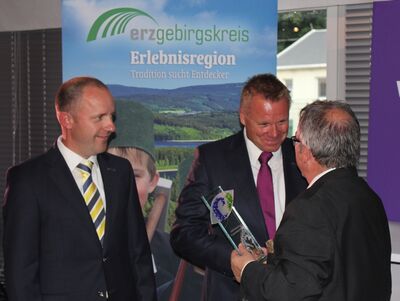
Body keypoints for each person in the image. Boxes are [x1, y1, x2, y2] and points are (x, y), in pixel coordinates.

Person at [3, 77, 157, 301]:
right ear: (67, 119)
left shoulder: (121, 171)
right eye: (99, 118)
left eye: (111, 116)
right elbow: (20, 274)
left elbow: (138, 253)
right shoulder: (28, 180)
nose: (111, 126)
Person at [231, 100, 392, 301]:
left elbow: (290, 293)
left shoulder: (308, 208)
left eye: (295, 140)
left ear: (306, 152)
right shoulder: (369, 197)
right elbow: (336, 267)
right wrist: (273, 260)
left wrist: (247, 270)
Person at [170, 73, 308, 301]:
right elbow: (184, 233)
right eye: (264, 124)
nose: (274, 133)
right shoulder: (212, 160)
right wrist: (231, 259)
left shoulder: (303, 157)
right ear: (243, 117)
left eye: (282, 122)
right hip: (232, 293)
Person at [107, 100, 203, 301]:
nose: (123, 186)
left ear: (153, 181)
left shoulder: (175, 253)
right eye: (111, 172)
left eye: (134, 175)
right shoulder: (76, 244)